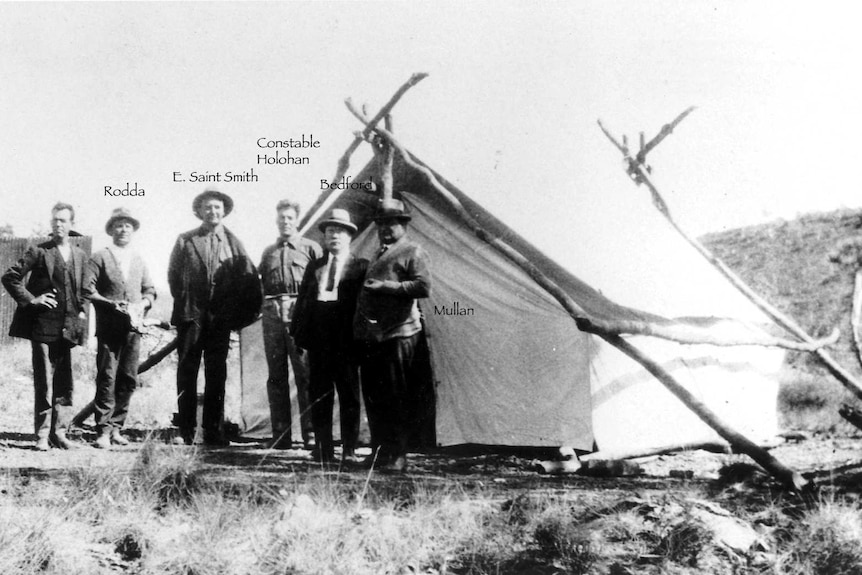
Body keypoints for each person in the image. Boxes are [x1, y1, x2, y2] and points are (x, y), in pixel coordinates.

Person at [167, 189, 262, 446]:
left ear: (224, 211)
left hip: (220, 318)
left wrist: (235, 316)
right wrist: (189, 303)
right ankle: (185, 430)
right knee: (187, 371)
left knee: (216, 373)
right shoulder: (185, 240)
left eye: (217, 207)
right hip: (192, 316)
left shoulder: (234, 243)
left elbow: (249, 280)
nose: (213, 212)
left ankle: (212, 431)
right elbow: (174, 277)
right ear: (199, 211)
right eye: (207, 207)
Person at [2, 202, 88, 450]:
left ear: (72, 224)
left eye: (63, 220)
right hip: (41, 325)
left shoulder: (80, 256)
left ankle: (59, 433)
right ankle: (41, 434)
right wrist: (32, 299)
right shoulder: (39, 251)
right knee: (44, 381)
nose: (58, 225)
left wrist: (80, 310)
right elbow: (10, 277)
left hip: (67, 327)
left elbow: (82, 290)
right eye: (55, 221)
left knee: (64, 382)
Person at [354, 198, 431, 472]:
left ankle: (398, 454)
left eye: (392, 223)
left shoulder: (413, 251)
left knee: (397, 395)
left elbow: (423, 287)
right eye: (382, 224)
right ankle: (378, 451)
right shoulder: (378, 253)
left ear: (403, 225)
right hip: (375, 335)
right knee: (376, 396)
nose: (386, 229)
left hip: (400, 332)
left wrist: (387, 286)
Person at [291, 209, 367, 463]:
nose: (334, 236)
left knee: (349, 395)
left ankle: (348, 449)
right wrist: (300, 335)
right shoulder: (315, 266)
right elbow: (303, 302)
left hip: (346, 336)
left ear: (349, 236)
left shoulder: (360, 267)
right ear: (324, 237)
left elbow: (364, 305)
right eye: (330, 232)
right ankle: (323, 449)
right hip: (319, 336)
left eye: (340, 231)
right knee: (320, 393)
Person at [83, 208, 156, 449]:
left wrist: (143, 304)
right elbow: (87, 290)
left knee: (128, 378)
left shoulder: (138, 259)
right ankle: (102, 430)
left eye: (128, 225)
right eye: (119, 225)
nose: (123, 229)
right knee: (107, 377)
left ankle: (116, 427)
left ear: (133, 230)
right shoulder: (100, 257)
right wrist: (111, 304)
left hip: (133, 330)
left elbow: (150, 290)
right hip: (108, 329)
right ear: (111, 229)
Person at [258, 200, 322, 449]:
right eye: (282, 218)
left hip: (300, 312)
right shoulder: (269, 252)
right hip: (272, 313)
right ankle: (280, 434)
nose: (286, 222)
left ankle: (311, 434)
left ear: (297, 220)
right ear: (277, 221)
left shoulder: (311, 248)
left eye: (290, 218)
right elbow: (261, 283)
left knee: (305, 374)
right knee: (276, 376)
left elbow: (322, 282)